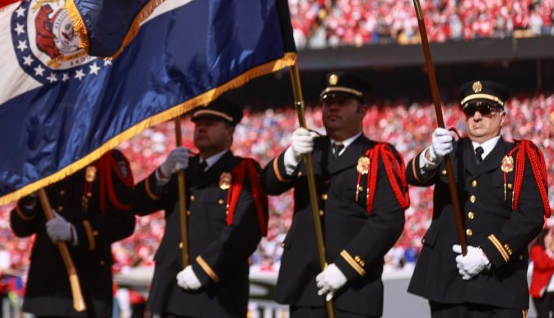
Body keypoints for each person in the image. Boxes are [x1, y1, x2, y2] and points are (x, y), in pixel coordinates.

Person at [262, 72, 408, 317]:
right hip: (306, 285)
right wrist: (290, 157)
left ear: (362, 111)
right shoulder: (309, 149)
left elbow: (389, 220)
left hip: (354, 288)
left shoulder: (378, 156)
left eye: (342, 102)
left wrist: (345, 267)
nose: (333, 108)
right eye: (328, 102)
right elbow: (268, 184)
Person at [407, 79, 550, 317]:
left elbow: (532, 216)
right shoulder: (448, 151)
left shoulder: (520, 157)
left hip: (500, 284)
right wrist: (431, 154)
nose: (476, 116)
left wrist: (486, 255)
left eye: (485, 109)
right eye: (470, 110)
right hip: (449, 283)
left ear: (502, 116)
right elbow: (411, 175)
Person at [131, 97, 267, 318]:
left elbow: (245, 232)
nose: (202, 128)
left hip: (216, 293)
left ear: (229, 132)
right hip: (171, 289)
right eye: (198, 124)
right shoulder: (181, 170)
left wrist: (205, 269)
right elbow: (137, 204)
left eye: (211, 123)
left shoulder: (242, 171)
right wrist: (162, 173)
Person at [9, 149, 135, 318]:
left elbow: (123, 221)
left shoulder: (107, 160)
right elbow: (21, 228)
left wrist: (76, 232)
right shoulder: (45, 161)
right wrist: (30, 197)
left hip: (88, 282)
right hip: (48, 284)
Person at [530, 227, 554, 317]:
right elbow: (542, 264)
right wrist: (548, 251)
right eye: (551, 235)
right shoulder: (537, 249)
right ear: (544, 237)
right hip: (542, 291)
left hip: (553, 290)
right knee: (543, 315)